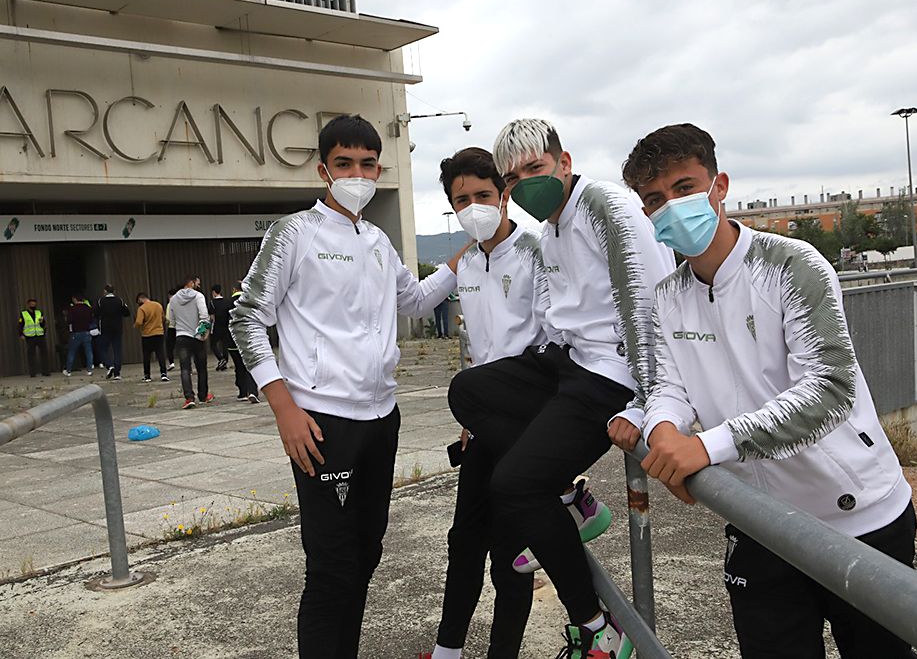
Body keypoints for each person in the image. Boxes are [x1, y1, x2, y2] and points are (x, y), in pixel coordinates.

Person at [619, 123, 917, 659]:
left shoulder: (792, 265)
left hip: (859, 520)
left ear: (719, 185)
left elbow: (829, 390)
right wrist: (663, 431)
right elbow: (669, 384)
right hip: (758, 522)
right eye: (655, 199)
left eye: (685, 188)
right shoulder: (667, 295)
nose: (671, 206)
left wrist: (705, 448)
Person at [229, 114, 467, 659]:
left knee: (364, 555)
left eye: (366, 164)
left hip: (382, 420)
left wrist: (462, 259)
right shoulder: (293, 233)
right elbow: (245, 319)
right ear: (323, 170)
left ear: (379, 169)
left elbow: (412, 301)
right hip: (320, 422)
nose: (357, 174)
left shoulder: (379, 241)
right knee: (332, 567)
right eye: (344, 164)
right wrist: (283, 406)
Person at [446, 119, 675, 658]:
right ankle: (569, 494)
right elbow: (553, 315)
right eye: (514, 178)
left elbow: (647, 303)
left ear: (563, 162)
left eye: (536, 168)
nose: (525, 184)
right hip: (569, 361)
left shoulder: (605, 207)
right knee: (469, 391)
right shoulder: (550, 229)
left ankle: (597, 628)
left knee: (513, 489)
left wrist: (645, 403)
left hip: (611, 374)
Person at [424, 147, 557, 659]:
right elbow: (478, 348)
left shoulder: (537, 250)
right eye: (462, 200)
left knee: (510, 555)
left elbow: (551, 340)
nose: (474, 206)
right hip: (484, 426)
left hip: (528, 423)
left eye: (483, 194)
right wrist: (473, 414)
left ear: (505, 193)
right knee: (463, 543)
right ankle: (447, 650)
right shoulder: (467, 265)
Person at [168, 276, 213, 409]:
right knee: (201, 368)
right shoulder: (198, 296)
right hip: (197, 336)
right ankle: (203, 395)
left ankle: (189, 397)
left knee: (185, 368)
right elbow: (204, 315)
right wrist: (203, 332)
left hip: (181, 336)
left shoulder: (174, 299)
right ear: (191, 283)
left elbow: (172, 320)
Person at [223, 281, 258, 402]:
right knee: (250, 366)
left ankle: (242, 392)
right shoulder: (248, 302)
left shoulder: (227, 303)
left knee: (238, 366)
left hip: (232, 341)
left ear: (234, 290)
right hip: (248, 339)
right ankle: (252, 391)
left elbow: (223, 323)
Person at [95, 285, 130, 381]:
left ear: (105, 291)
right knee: (117, 350)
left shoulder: (100, 301)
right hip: (117, 328)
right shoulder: (119, 300)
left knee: (102, 348)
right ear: (114, 291)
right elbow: (127, 312)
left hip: (105, 329)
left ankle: (109, 365)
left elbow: (95, 314)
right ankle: (117, 373)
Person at [135, 292, 169, 383]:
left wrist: (136, 326)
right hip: (159, 333)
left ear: (141, 299)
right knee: (160, 354)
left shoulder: (141, 308)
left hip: (147, 335)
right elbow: (163, 318)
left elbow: (139, 322)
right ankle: (163, 374)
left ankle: (147, 375)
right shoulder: (158, 305)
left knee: (147, 356)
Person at [63, 295, 94, 376]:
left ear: (74, 299)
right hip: (86, 332)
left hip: (76, 332)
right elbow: (91, 319)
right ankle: (89, 370)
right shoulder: (88, 308)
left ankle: (68, 370)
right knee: (88, 351)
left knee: (72, 351)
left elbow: (69, 321)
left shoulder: (72, 309)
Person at [19, 298, 50, 377]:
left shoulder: (39, 312)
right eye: (32, 304)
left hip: (40, 336)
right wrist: (21, 334)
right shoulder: (23, 313)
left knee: (44, 354)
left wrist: (42, 322)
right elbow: (20, 325)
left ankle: (45, 371)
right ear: (28, 304)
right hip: (30, 337)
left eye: (34, 304)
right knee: (31, 355)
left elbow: (43, 323)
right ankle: (32, 373)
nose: (33, 305)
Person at [210, 284, 230, 371]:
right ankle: (225, 361)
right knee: (225, 344)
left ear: (214, 292)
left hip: (217, 326)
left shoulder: (212, 303)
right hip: (226, 326)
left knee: (213, 344)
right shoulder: (226, 301)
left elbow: (212, 317)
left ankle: (221, 359)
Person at [165, 287, 178, 371]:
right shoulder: (180, 302)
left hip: (172, 327)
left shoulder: (170, 304)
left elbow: (168, 318)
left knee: (169, 346)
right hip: (181, 327)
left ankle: (171, 362)